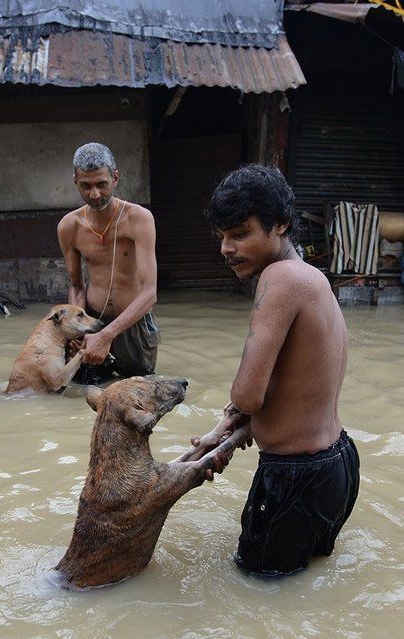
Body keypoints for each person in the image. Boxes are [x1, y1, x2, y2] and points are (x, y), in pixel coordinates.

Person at [196, 164, 359, 577]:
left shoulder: (279, 278)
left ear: (280, 225)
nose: (226, 249)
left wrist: (238, 409)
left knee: (257, 592)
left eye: (240, 233)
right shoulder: (314, 279)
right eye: (222, 236)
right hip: (339, 465)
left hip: (295, 477)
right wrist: (233, 431)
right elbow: (292, 391)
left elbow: (249, 395)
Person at [57, 143, 160, 382]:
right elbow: (76, 286)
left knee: (136, 391)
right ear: (75, 181)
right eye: (86, 186)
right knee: (83, 392)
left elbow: (150, 292)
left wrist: (107, 335)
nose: (94, 194)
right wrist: (74, 329)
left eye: (101, 184)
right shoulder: (69, 226)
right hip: (91, 321)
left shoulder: (139, 218)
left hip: (133, 325)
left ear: (115, 178)